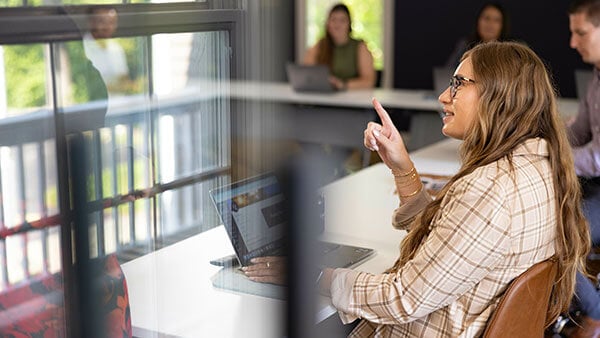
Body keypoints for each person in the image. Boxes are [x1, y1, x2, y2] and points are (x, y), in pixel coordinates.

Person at [317, 41, 591, 337]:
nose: (444, 96)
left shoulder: (490, 188)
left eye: (459, 84)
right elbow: (446, 236)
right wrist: (401, 166)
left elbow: (404, 298)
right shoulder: (540, 164)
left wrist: (317, 275)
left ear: (498, 94)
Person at [562, 1, 600, 336]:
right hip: (596, 187)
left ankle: (596, 315)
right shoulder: (597, 79)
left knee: (559, 235)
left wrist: (553, 157)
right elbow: (580, 131)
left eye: (581, 33)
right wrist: (543, 136)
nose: (573, 43)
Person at [303, 3, 376, 90]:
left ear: (349, 24)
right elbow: (306, 72)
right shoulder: (321, 45)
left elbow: (369, 82)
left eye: (342, 20)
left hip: (352, 100)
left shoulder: (360, 47)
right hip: (324, 98)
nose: (337, 25)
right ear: (328, 24)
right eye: (333, 20)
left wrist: (342, 85)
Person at [445, 3, 510, 68]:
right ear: (478, 21)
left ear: (503, 25)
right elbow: (447, 72)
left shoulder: (509, 51)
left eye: (496, 20)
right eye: (487, 18)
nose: (490, 24)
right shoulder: (465, 46)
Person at [83, 6, 131, 93]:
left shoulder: (117, 48)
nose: (108, 27)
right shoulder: (82, 48)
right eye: (102, 22)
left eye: (112, 22)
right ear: (91, 22)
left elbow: (124, 80)